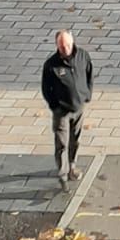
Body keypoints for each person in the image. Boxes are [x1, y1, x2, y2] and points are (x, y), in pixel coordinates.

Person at [41, 28, 93, 187]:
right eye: (62, 47)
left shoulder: (82, 56)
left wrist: (87, 95)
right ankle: (62, 174)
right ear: (57, 46)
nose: (66, 49)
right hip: (61, 111)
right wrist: (54, 106)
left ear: (72, 42)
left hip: (78, 108)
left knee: (75, 140)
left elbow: (89, 74)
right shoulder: (51, 65)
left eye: (68, 45)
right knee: (61, 143)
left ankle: (72, 167)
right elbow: (46, 88)